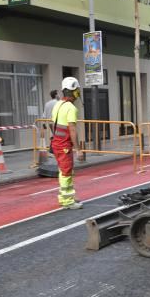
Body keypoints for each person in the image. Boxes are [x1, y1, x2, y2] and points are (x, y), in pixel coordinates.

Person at [50, 78, 84, 209]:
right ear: (73, 91)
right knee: (66, 173)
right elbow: (72, 130)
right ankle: (67, 201)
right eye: (77, 91)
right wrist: (78, 149)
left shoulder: (58, 104)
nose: (78, 93)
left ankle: (67, 197)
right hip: (64, 146)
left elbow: (53, 124)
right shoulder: (71, 108)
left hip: (57, 144)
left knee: (63, 171)